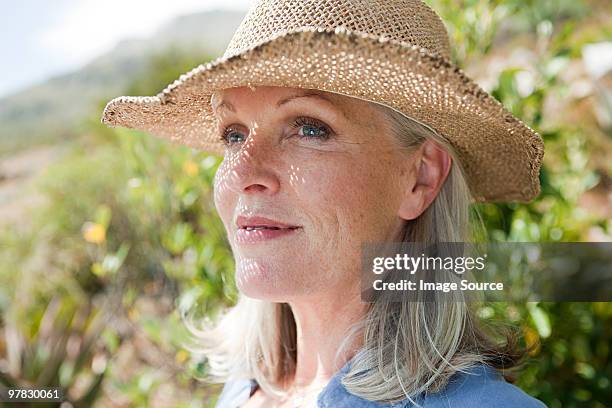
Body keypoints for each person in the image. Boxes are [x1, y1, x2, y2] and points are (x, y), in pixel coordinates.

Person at [101, 1, 547, 407]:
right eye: (233, 135)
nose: (243, 173)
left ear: (420, 178)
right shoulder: (243, 391)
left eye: (309, 128)